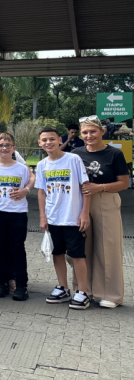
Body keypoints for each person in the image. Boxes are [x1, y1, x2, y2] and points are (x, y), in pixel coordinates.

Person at [73, 117, 128, 308]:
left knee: (107, 247)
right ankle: (84, 289)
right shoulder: (75, 154)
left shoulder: (114, 154)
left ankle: (110, 294)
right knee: (82, 246)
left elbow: (124, 183)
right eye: (85, 132)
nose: (89, 136)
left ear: (102, 132)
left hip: (106, 200)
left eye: (93, 132)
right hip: (81, 202)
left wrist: (101, 187)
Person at [36, 127, 91, 309]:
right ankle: (63, 288)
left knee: (77, 255)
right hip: (53, 218)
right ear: (39, 143)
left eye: (52, 139)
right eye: (44, 140)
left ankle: (82, 292)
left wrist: (84, 212)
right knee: (57, 253)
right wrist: (43, 216)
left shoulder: (73, 159)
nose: (48, 143)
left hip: (72, 217)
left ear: (60, 140)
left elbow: (86, 187)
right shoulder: (42, 164)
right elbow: (42, 192)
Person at [0, 133, 35, 301]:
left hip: (17, 214)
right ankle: (2, 282)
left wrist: (26, 190)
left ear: (13, 148)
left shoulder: (22, 168)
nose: (4, 148)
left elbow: (27, 185)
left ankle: (21, 285)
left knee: (17, 248)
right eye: (1, 145)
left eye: (8, 145)